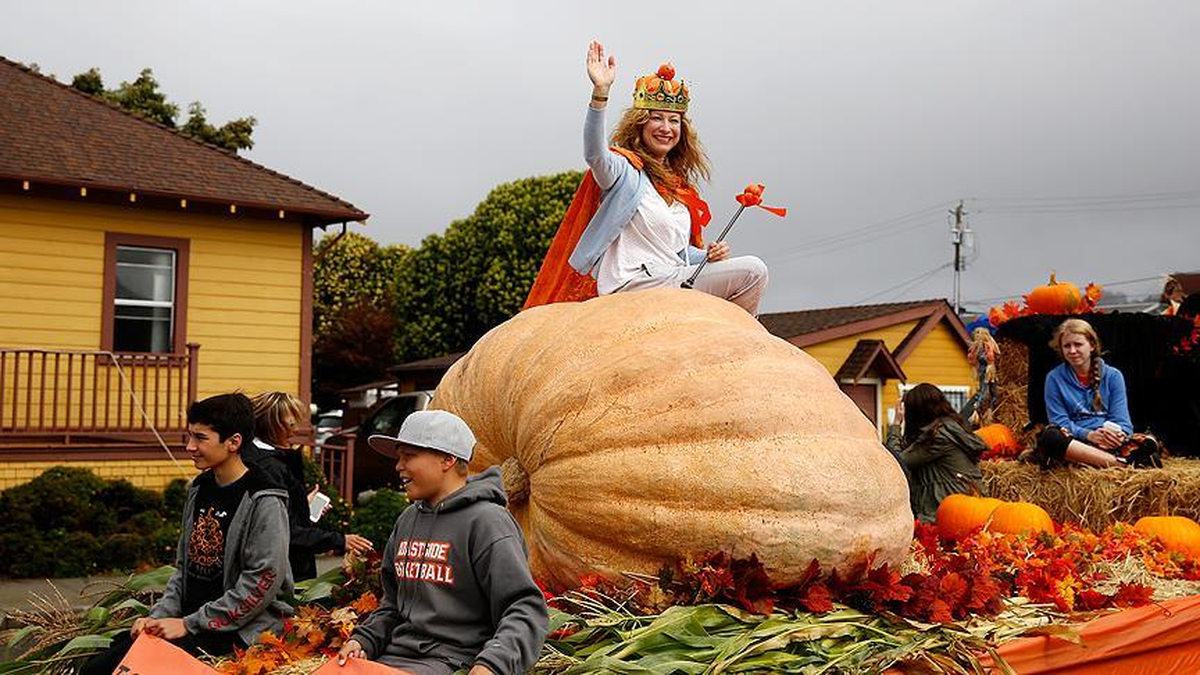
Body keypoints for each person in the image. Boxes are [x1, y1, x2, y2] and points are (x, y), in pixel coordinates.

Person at [524, 41, 768, 314]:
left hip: (671, 278)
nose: (666, 128)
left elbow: (675, 253)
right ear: (640, 124)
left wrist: (708, 256)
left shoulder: (679, 190)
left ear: (682, 131)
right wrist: (600, 93)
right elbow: (595, 154)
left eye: (674, 121)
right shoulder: (624, 170)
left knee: (743, 272)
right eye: (657, 119)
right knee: (753, 271)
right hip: (634, 284)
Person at [82, 394, 292, 674]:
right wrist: (158, 617)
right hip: (189, 622)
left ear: (233, 442)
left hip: (237, 632)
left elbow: (261, 581)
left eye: (200, 438)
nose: (190, 446)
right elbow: (184, 569)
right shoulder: (199, 488)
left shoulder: (263, 499)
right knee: (97, 667)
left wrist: (189, 624)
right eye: (189, 436)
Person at [336, 410, 548, 675]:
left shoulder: (488, 522)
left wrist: (492, 665)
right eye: (399, 457)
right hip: (392, 658)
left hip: (451, 663)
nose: (398, 466)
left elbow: (524, 608)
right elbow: (392, 605)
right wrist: (363, 640)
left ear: (447, 459)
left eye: (409, 456)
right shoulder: (408, 520)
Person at [246, 392, 374, 581]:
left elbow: (280, 514)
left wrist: (304, 507)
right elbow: (283, 529)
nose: (295, 429)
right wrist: (340, 540)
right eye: (291, 423)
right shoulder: (270, 466)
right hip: (280, 572)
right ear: (272, 424)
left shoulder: (258, 458)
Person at [1034, 318, 1161, 468]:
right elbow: (1059, 421)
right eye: (1067, 346)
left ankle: (1097, 460)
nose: (1072, 351)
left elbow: (1123, 422)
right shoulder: (1054, 378)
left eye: (1078, 344)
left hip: (1107, 441)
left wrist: (1115, 437)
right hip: (1076, 441)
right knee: (1050, 437)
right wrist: (1089, 435)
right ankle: (1121, 464)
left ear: (1092, 345)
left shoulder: (1113, 376)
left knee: (1149, 445)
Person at [885, 383, 987, 523]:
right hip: (963, 507)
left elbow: (896, 462)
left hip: (949, 515)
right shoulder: (950, 428)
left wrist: (896, 424)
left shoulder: (938, 437)